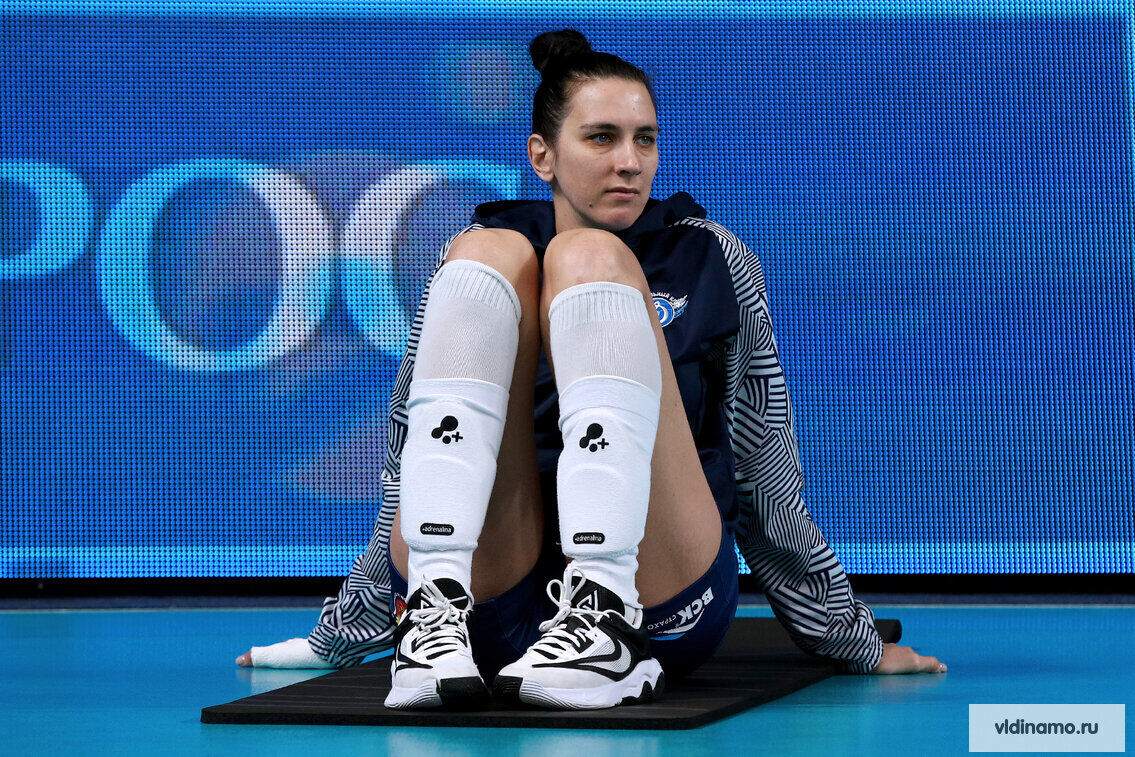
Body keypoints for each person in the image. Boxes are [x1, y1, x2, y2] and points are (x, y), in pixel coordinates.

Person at [237, 29, 946, 710]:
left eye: (645, 139)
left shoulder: (707, 256)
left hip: (658, 599)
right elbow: (412, 454)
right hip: (498, 595)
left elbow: (762, 465)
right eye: (601, 138)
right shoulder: (481, 257)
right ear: (542, 156)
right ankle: (434, 620)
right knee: (485, 254)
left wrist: (846, 638)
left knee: (591, 258)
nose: (629, 162)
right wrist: (338, 636)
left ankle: (605, 625)